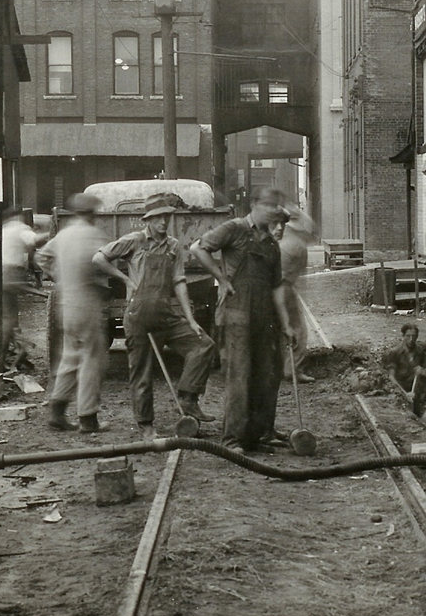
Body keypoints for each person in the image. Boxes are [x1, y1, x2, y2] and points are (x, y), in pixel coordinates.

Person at [93, 191, 216, 432]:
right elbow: (99, 258)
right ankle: (146, 425)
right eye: (158, 218)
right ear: (147, 220)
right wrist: (126, 280)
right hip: (138, 316)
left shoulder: (173, 246)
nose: (163, 222)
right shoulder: (134, 241)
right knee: (142, 373)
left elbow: (179, 281)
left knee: (204, 345)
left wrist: (190, 320)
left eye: (167, 217)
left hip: (165, 314)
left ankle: (188, 397)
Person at [191, 188, 295, 452]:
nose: (272, 210)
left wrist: (285, 324)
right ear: (254, 205)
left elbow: (276, 288)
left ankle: (259, 434)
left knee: (266, 375)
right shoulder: (234, 228)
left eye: (276, 206)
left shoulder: (272, 245)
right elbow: (198, 248)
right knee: (240, 377)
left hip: (264, 317)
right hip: (237, 314)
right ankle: (232, 439)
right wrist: (222, 278)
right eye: (268, 205)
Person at [39, 193, 110, 433]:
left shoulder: (64, 234)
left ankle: (56, 412)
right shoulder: (93, 235)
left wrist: (58, 275)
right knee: (92, 358)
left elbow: (41, 256)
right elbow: (103, 264)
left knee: (70, 356)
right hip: (87, 302)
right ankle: (88, 418)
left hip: (66, 303)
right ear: (91, 214)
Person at [0, 206, 47, 370]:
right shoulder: (18, 228)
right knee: (9, 320)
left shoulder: (3, 230)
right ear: (18, 216)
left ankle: (14, 354)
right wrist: (55, 234)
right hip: (12, 274)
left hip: (2, 275)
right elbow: (35, 241)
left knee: (10, 317)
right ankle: (1, 359)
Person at [275, 203, 315, 383]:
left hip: (270, 287)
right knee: (297, 329)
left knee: (276, 328)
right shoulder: (297, 245)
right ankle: (293, 369)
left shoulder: (278, 239)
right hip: (284, 288)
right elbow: (300, 278)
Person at [381, 322, 426, 415]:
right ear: (403, 336)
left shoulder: (420, 351)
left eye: (414, 336)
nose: (411, 339)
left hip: (415, 391)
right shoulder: (394, 352)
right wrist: (404, 394)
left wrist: (422, 371)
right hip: (399, 391)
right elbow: (391, 378)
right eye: (408, 336)